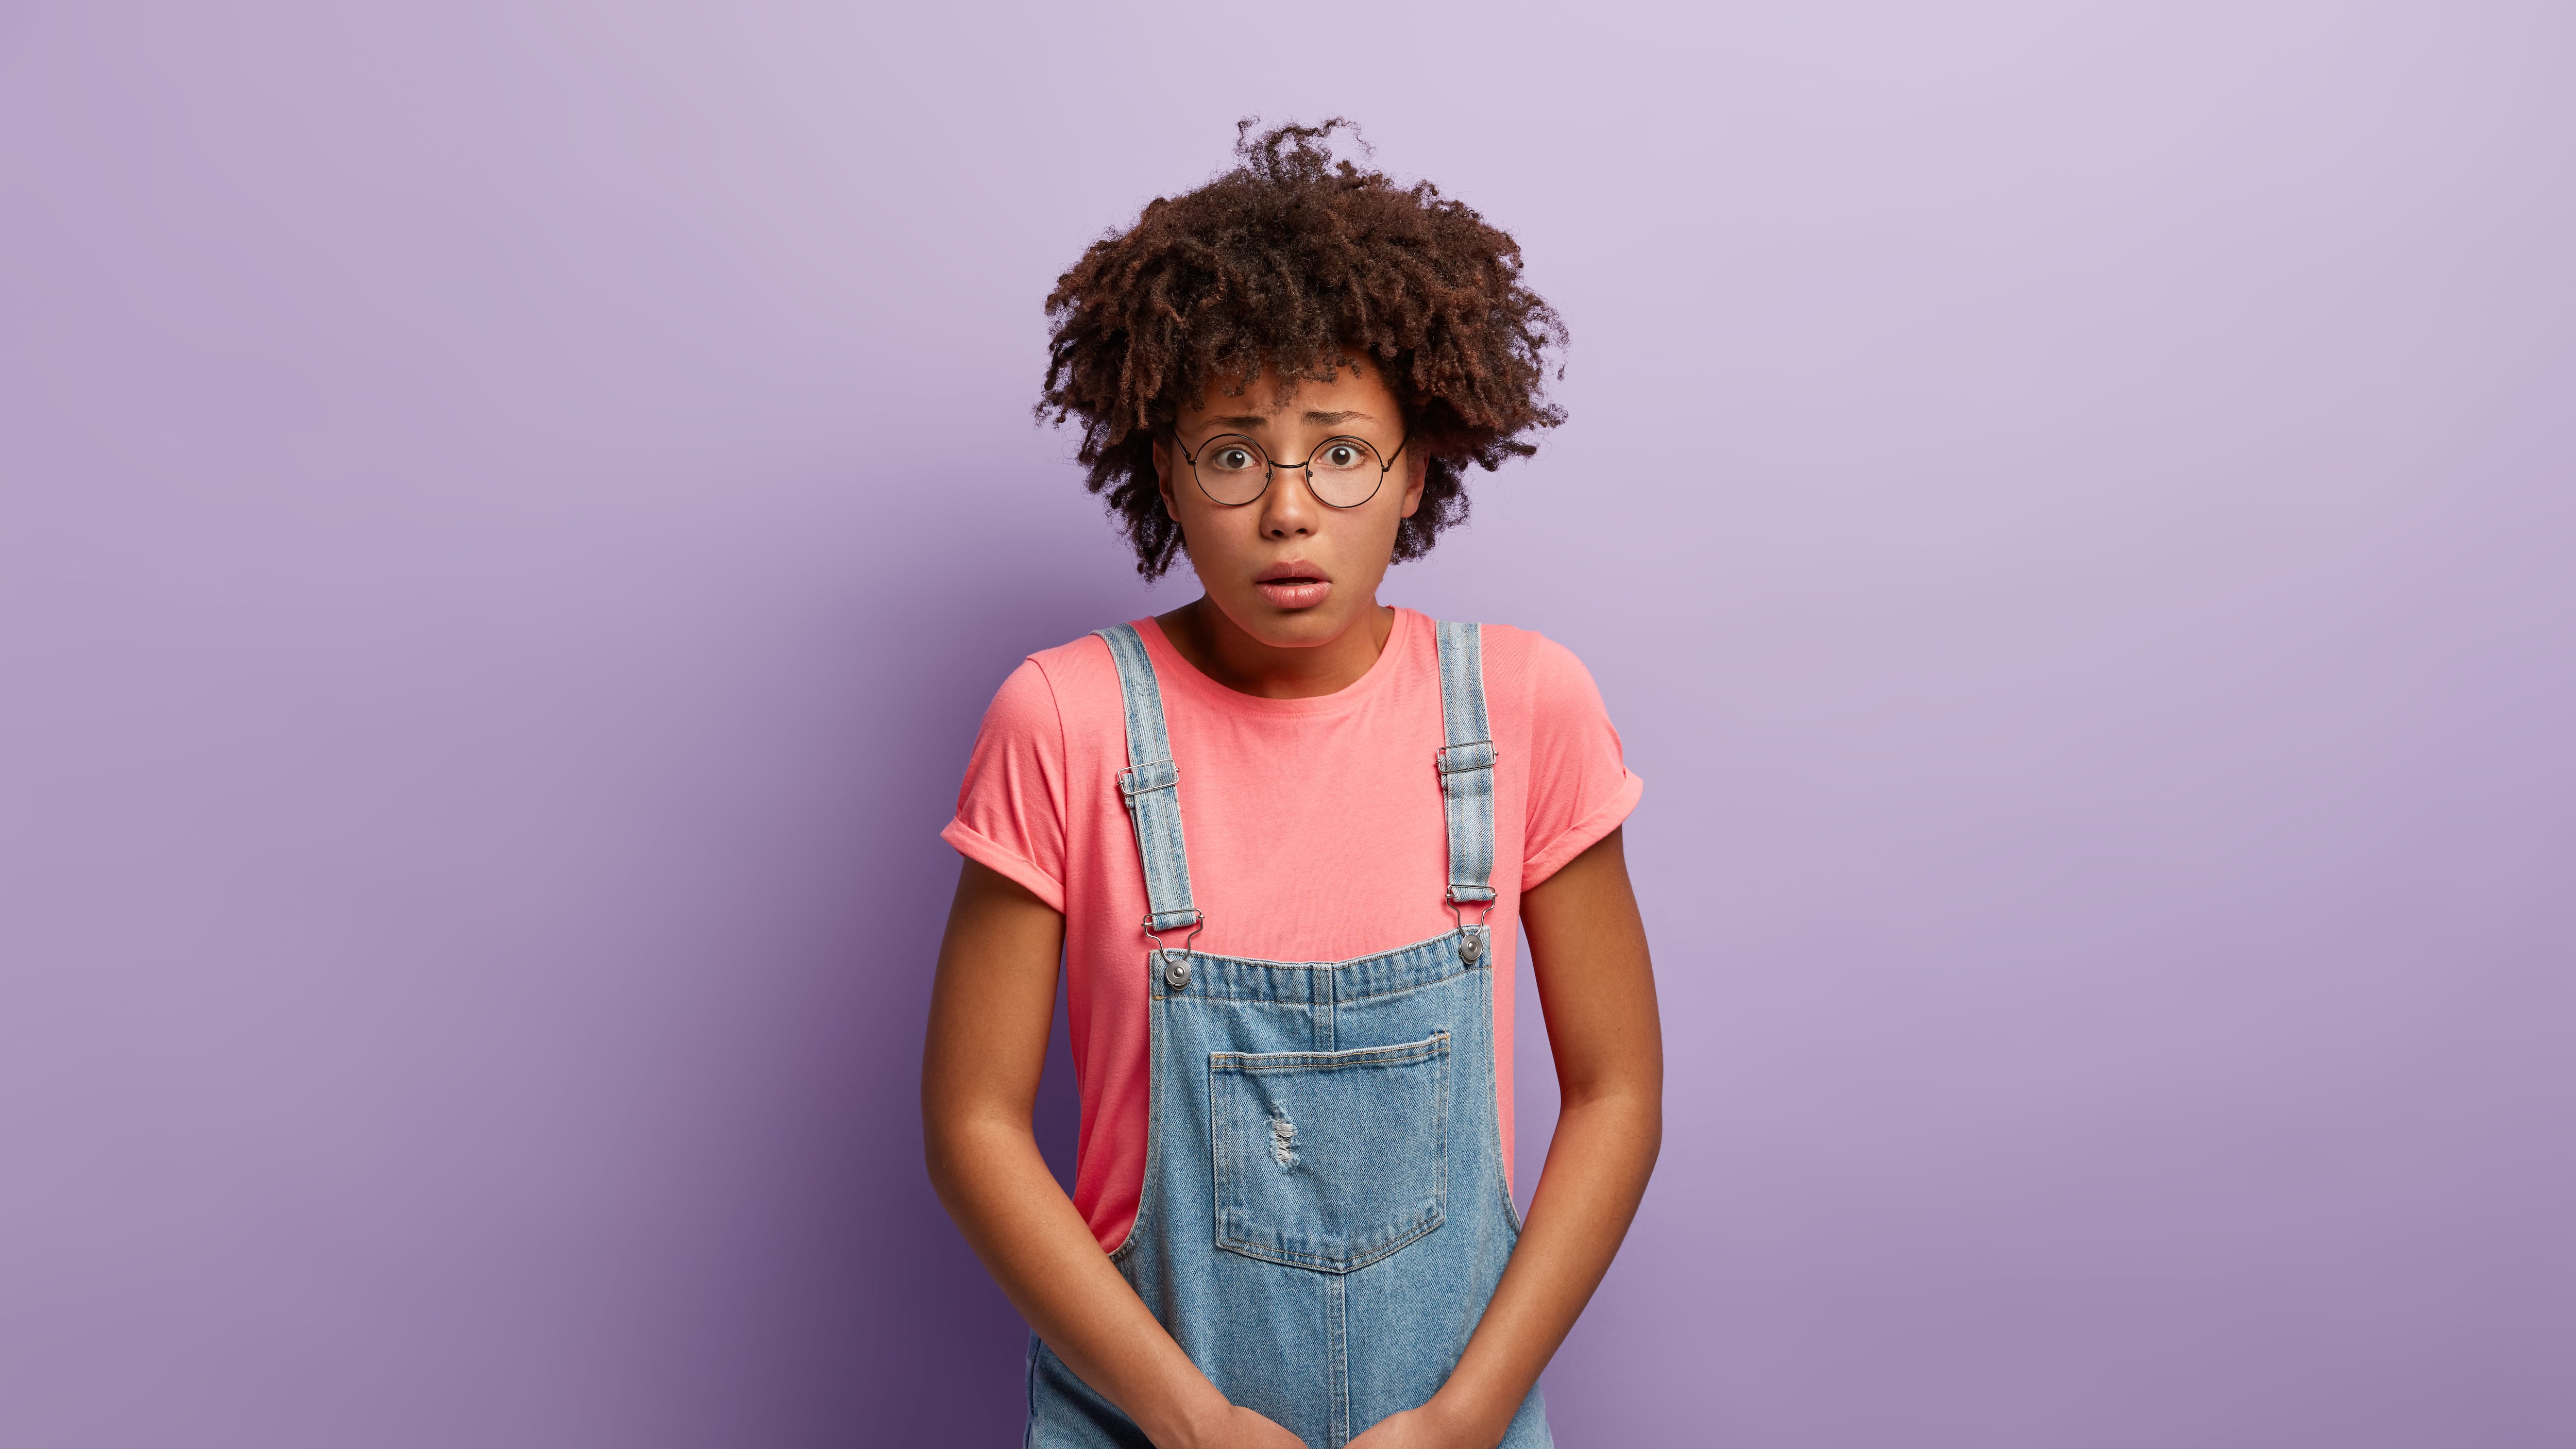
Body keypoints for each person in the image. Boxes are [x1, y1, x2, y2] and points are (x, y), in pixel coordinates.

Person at [921, 120, 1662, 1449]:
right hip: (1139, 1421)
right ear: (1163, 470)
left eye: (1339, 451)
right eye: (1231, 453)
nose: (1286, 511)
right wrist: (1188, 1420)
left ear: (1416, 469)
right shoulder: (1065, 722)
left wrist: (1469, 1417)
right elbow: (972, 1125)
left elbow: (1618, 1091)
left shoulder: (1526, 708)